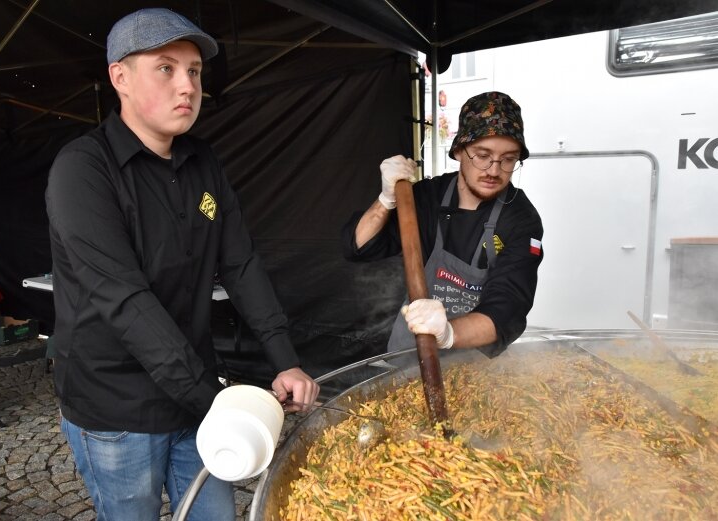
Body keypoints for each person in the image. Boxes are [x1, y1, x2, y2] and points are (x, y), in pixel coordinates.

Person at [45, 8, 319, 521]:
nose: (187, 86)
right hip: (117, 406)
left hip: (195, 395)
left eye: (194, 71)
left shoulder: (202, 162)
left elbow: (239, 263)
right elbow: (125, 300)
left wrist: (284, 358)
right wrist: (214, 402)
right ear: (119, 77)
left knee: (215, 514)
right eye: (166, 68)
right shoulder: (83, 169)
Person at [342, 91, 544, 357]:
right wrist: (386, 199)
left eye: (508, 160)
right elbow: (358, 247)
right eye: (482, 155)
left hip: (475, 367)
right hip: (408, 353)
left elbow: (507, 308)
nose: (494, 170)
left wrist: (448, 333)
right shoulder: (427, 197)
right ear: (460, 151)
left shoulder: (521, 219)